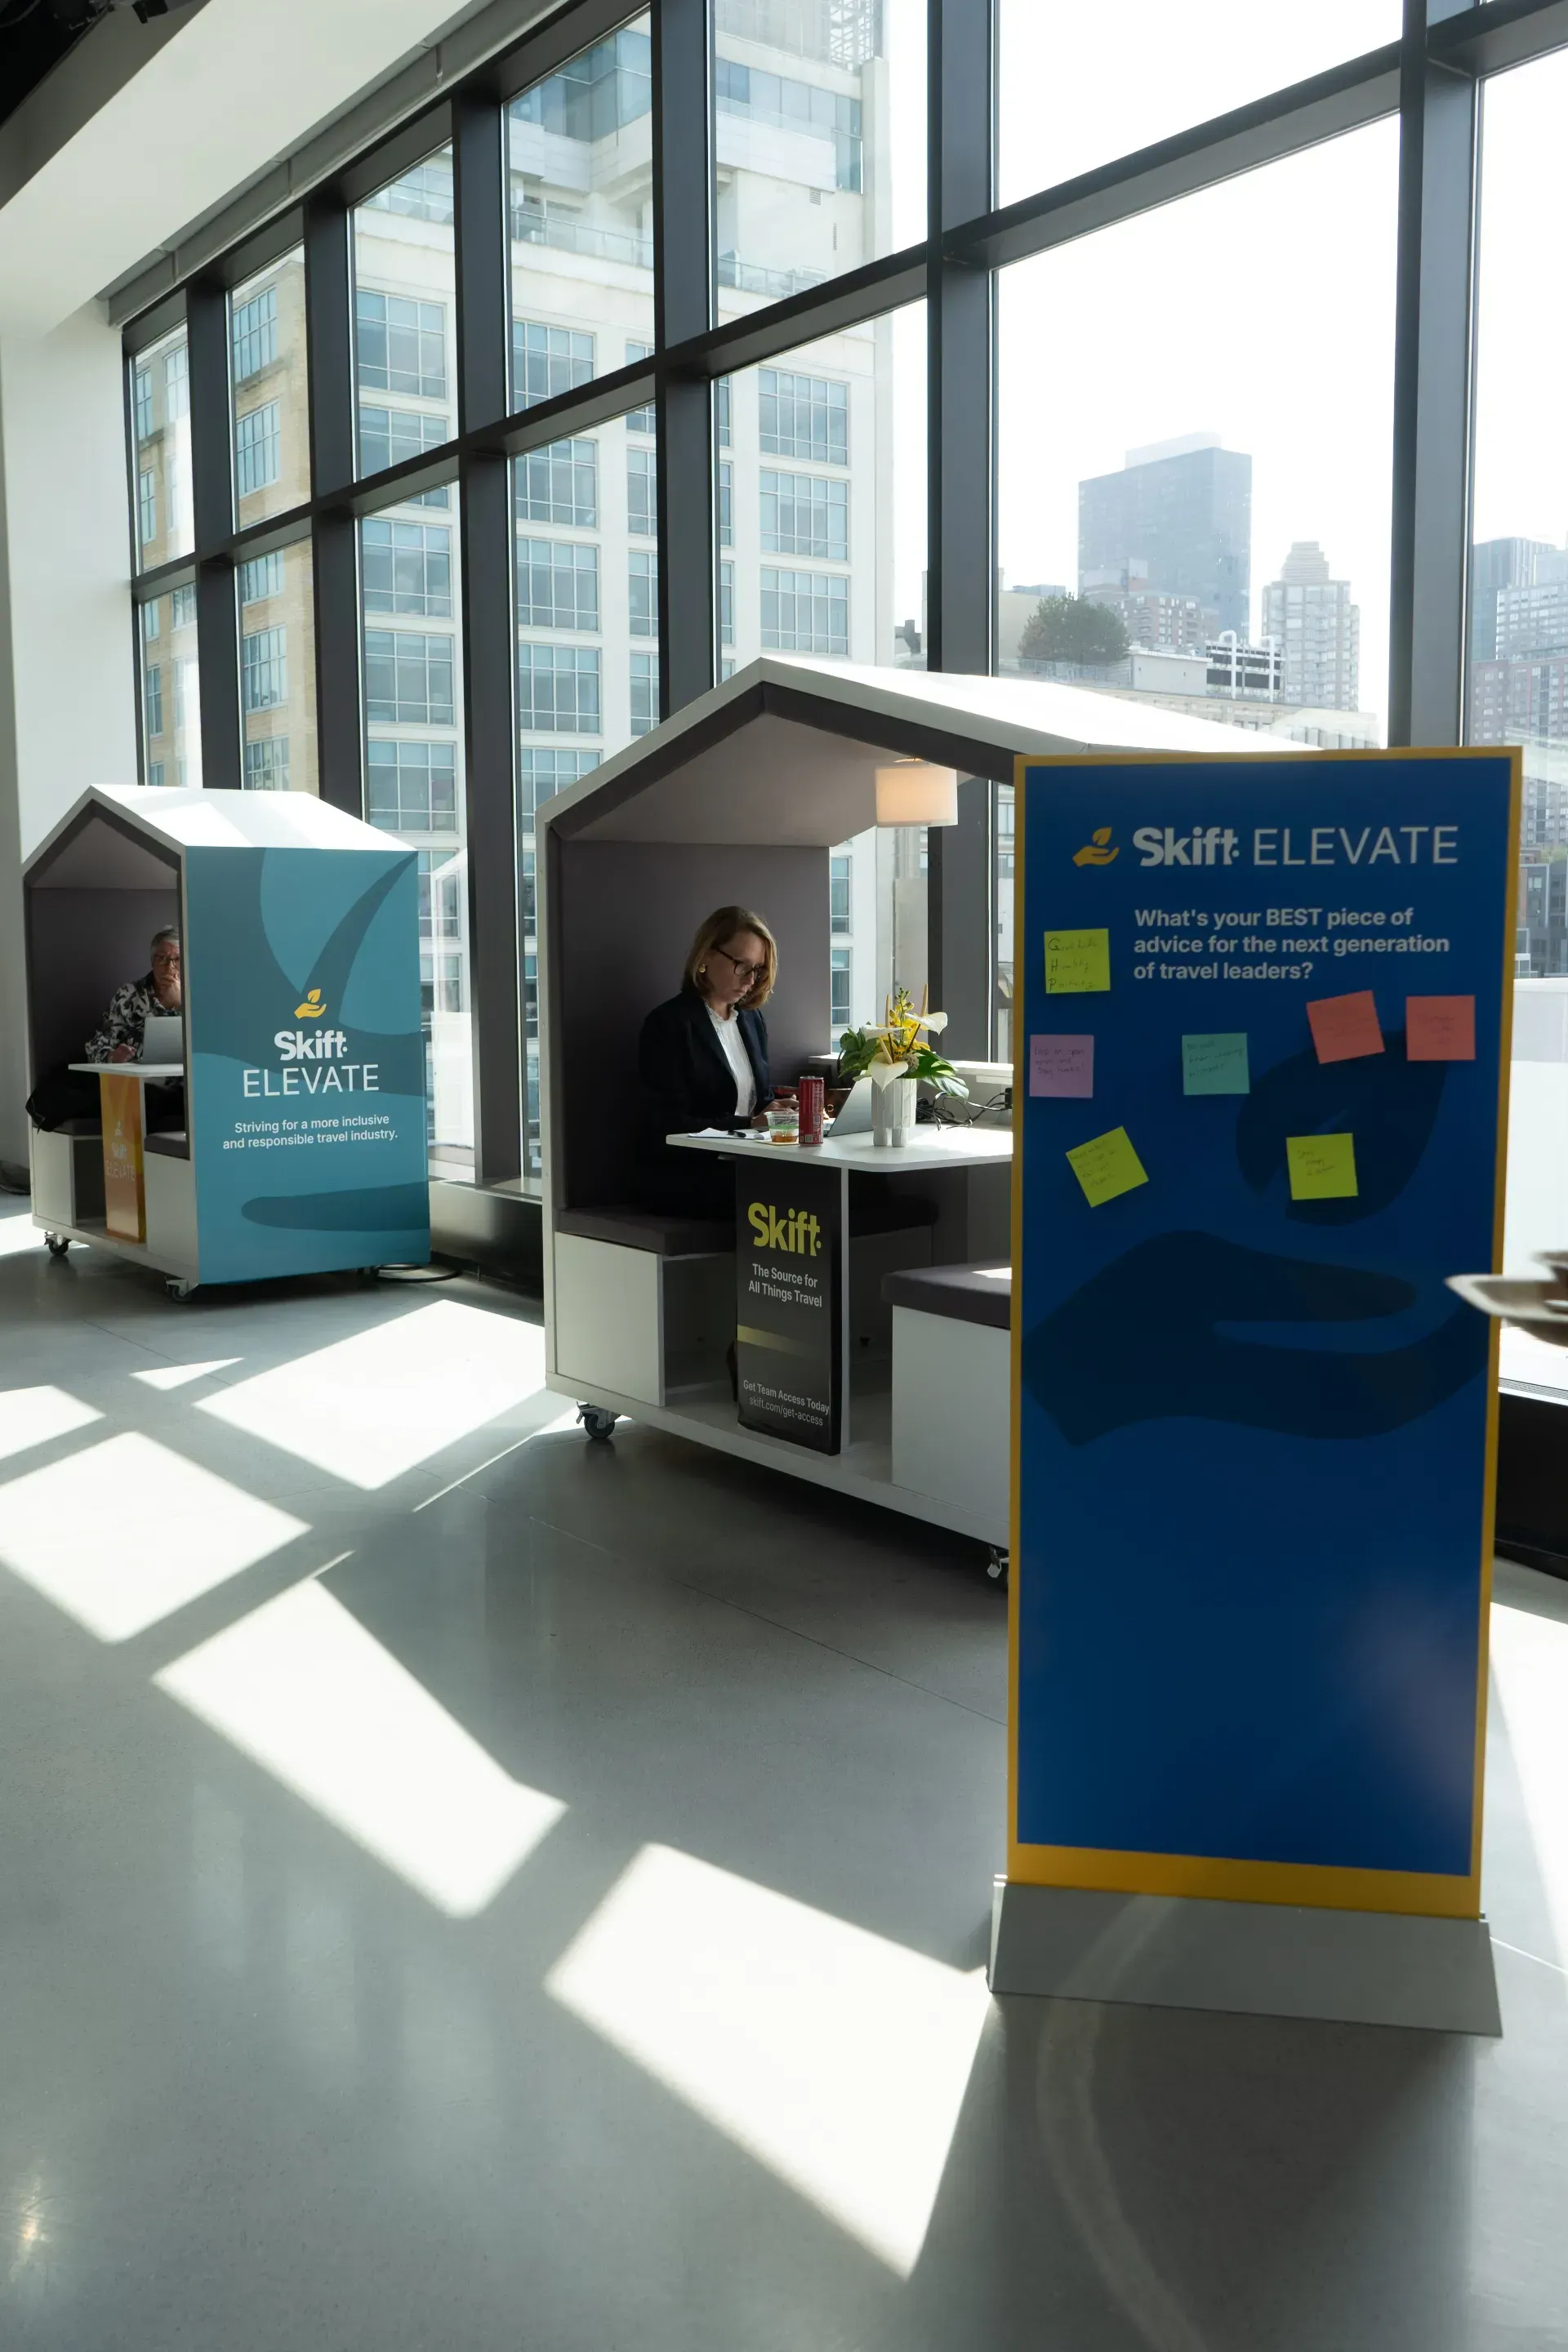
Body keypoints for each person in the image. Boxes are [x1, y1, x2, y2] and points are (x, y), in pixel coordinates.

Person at [637, 906, 794, 1218]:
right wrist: (748, 1125)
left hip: (746, 1166)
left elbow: (756, 1103)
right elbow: (669, 1124)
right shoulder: (668, 1024)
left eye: (759, 969)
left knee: (839, 1187)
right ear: (706, 956)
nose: (751, 979)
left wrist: (783, 1110)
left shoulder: (750, 1020)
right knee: (799, 1195)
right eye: (742, 966)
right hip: (690, 1175)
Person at [85, 927, 182, 1064]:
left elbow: (211, 1046)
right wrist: (112, 1057)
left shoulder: (200, 995)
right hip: (138, 1081)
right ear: (152, 962)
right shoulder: (129, 994)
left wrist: (180, 1004)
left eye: (177, 959)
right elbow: (96, 1047)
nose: (169, 967)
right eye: (162, 958)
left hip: (185, 1081)